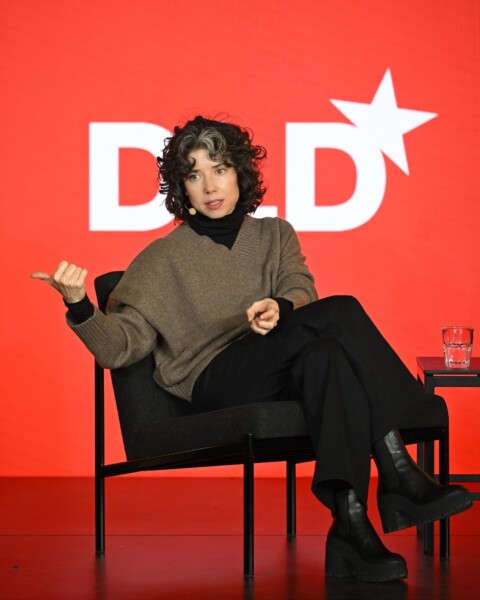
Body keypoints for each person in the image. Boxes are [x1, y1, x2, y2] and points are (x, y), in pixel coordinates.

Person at [32, 115, 473, 583]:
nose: (210, 186)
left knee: (327, 355)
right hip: (216, 383)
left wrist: (280, 309)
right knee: (340, 312)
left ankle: (351, 525)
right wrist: (79, 306)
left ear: (240, 173)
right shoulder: (160, 260)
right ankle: (399, 469)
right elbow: (120, 348)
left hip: (282, 371)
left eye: (220, 169)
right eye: (194, 174)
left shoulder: (275, 234)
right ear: (182, 186)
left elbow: (300, 289)